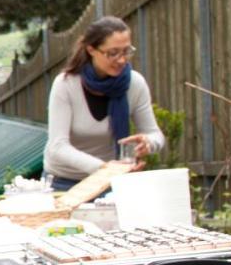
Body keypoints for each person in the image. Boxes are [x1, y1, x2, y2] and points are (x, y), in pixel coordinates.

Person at [43, 16, 164, 191]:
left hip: (111, 182)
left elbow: (155, 134)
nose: (122, 60)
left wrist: (148, 142)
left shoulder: (134, 84)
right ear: (91, 49)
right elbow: (57, 147)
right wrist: (103, 169)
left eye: (126, 51)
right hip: (63, 182)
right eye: (113, 53)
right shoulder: (66, 84)